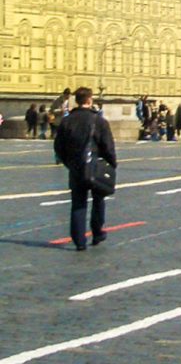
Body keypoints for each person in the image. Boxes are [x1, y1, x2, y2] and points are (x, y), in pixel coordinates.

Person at [53, 86, 116, 251]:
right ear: (89, 100)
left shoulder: (67, 120)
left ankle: (79, 241)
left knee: (78, 203)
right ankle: (97, 233)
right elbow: (108, 146)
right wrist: (112, 163)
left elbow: (58, 146)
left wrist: (69, 163)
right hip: (96, 165)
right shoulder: (99, 121)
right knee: (98, 199)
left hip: (76, 166)